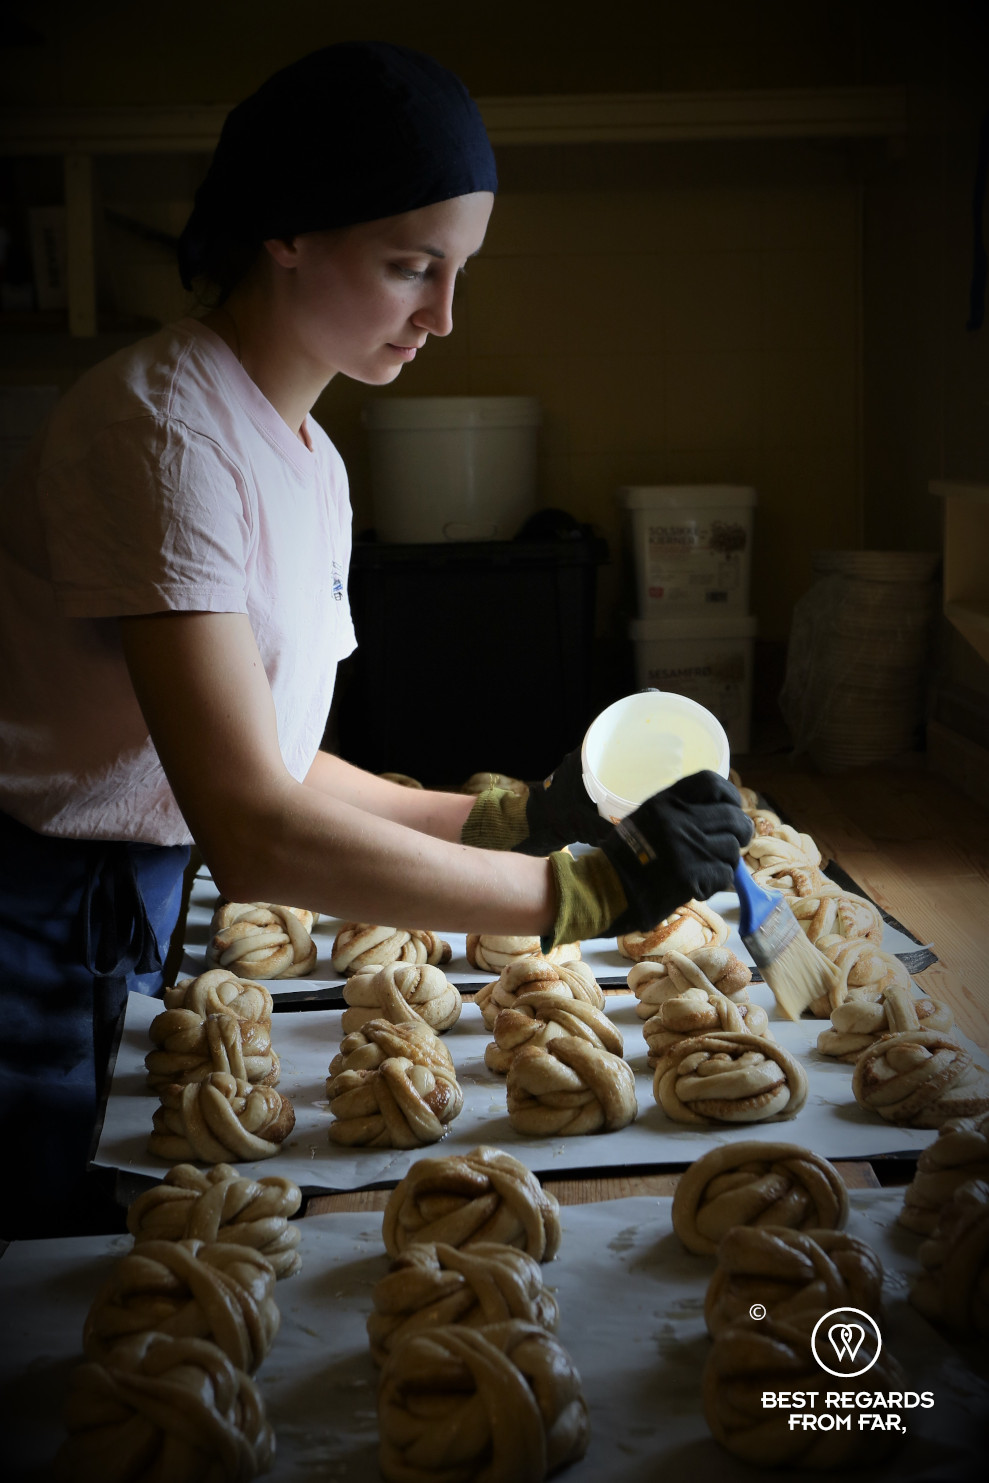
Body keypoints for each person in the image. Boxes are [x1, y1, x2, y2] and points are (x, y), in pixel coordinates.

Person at [0, 41, 750, 1239]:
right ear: (286, 228)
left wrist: (516, 816)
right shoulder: (161, 434)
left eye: (458, 271)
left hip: (122, 901)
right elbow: (251, 828)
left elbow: (283, 761)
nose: (444, 316)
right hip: (29, 918)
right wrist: (577, 893)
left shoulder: (307, 457)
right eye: (411, 267)